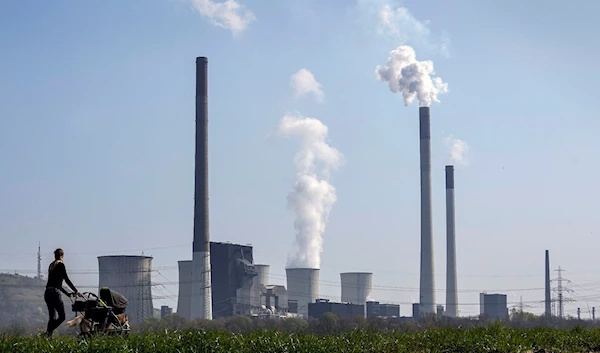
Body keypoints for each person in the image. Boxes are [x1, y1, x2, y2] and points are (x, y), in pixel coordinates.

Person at [44, 248, 82, 336]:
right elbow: (67, 279)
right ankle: (48, 332)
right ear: (62, 255)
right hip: (54, 293)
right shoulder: (61, 265)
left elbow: (57, 284)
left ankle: (48, 337)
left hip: (47, 292)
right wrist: (76, 291)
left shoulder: (51, 265)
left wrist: (67, 294)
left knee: (52, 317)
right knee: (62, 317)